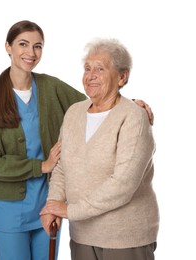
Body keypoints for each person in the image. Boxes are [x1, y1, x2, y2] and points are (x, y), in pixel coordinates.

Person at [0, 20, 154, 260]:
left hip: (48, 203)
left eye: (38, 46)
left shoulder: (50, 87)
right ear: (8, 46)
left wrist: (133, 104)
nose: (31, 52)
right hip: (9, 207)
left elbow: (97, 100)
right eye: (23, 44)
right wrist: (41, 166)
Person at [40, 38, 159, 260]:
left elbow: (123, 184)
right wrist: (53, 205)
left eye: (100, 69)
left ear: (122, 77)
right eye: (87, 68)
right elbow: (61, 168)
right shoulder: (74, 113)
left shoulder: (134, 117)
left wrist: (69, 210)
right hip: (82, 235)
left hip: (125, 237)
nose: (91, 75)